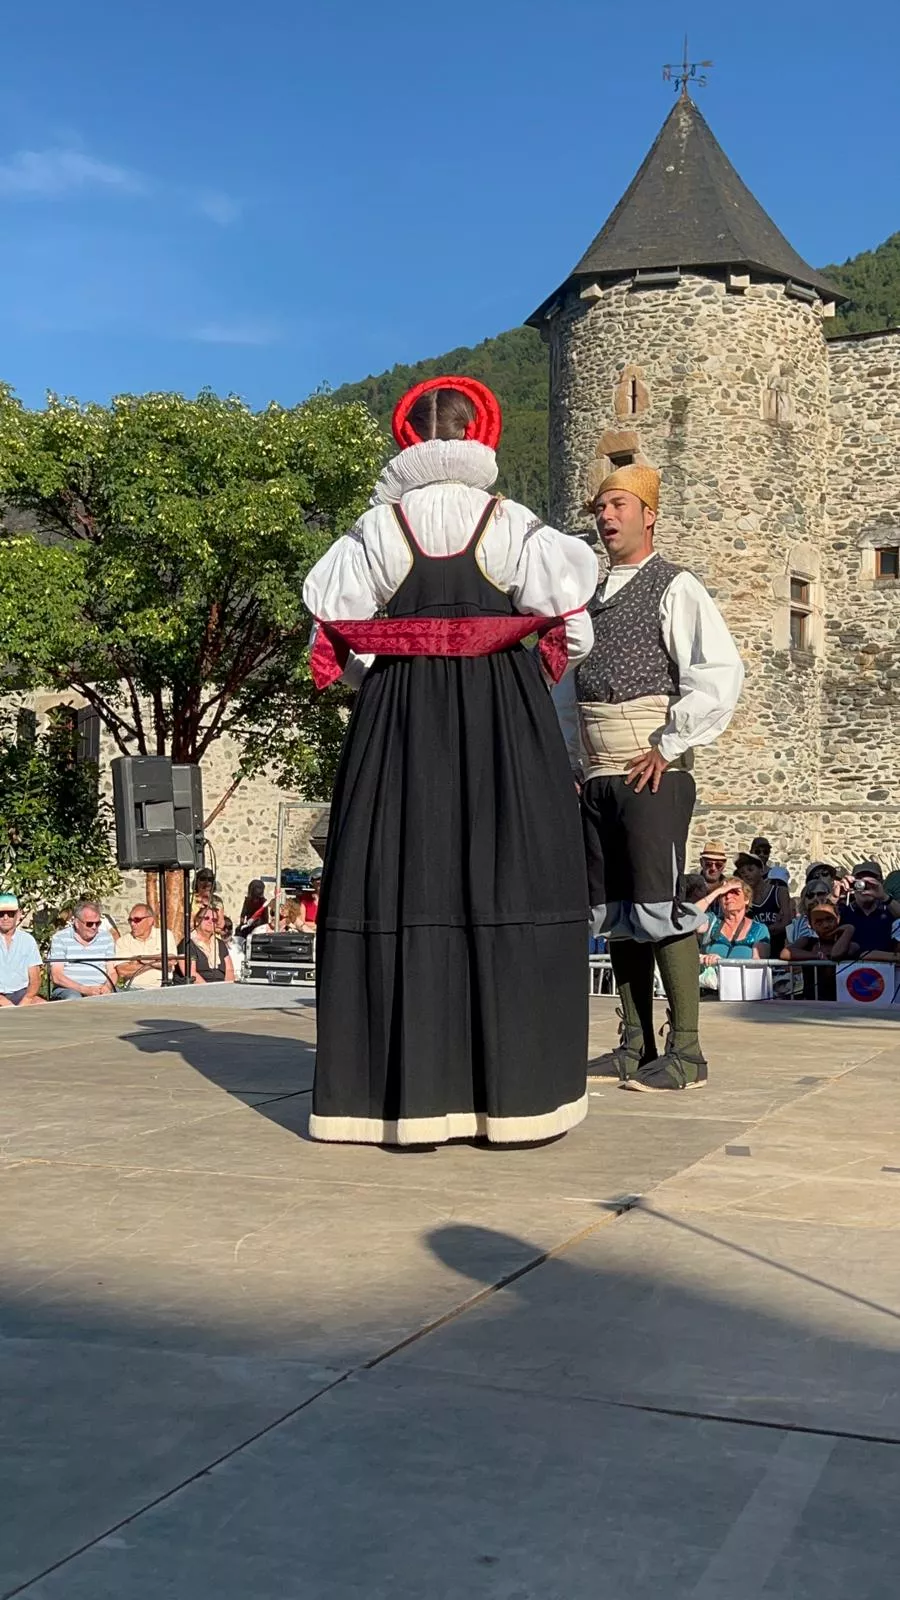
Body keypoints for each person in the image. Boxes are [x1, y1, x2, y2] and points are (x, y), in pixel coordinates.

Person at [302, 375, 597, 1144]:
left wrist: (389, 674)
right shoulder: (514, 522)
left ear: (408, 439)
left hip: (401, 715)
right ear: (478, 434)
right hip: (500, 710)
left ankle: (405, 1107)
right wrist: (516, 681)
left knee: (402, 875)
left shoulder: (374, 531)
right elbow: (572, 631)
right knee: (510, 872)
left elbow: (334, 638)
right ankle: (514, 1105)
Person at [554, 463, 744, 1091]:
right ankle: (633, 1044)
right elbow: (565, 686)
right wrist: (572, 760)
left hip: (650, 767)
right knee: (617, 913)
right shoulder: (587, 599)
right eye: (599, 508)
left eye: (617, 506)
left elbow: (717, 672)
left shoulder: (674, 586)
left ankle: (685, 1051)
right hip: (599, 773)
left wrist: (668, 742)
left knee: (659, 906)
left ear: (648, 514)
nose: (605, 518)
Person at [699, 880, 770, 992]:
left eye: (734, 892)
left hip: (743, 996)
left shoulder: (759, 929)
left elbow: (758, 967)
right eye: (724, 893)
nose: (728, 896)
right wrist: (717, 891)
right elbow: (688, 918)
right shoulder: (711, 922)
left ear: (746, 899)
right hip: (709, 997)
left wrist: (722, 964)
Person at [49, 899, 118, 998]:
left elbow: (112, 971)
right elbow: (57, 976)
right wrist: (84, 989)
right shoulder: (60, 938)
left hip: (101, 988)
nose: (94, 927)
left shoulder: (106, 937)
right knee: (74, 998)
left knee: (128, 998)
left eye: (97, 923)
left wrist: (107, 987)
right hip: (69, 989)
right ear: (77, 923)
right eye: (89, 924)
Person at [838, 861, 900, 960]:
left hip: (886, 973)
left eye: (872, 881)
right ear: (853, 884)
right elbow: (819, 923)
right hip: (848, 973)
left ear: (881, 883)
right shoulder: (844, 911)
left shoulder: (889, 910)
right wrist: (835, 896)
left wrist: (884, 896)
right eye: (860, 881)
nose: (865, 886)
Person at [734, 850, 791, 956]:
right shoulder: (744, 900)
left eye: (750, 869)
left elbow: (786, 922)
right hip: (755, 954)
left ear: (761, 871)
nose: (746, 874)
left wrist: (759, 931)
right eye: (742, 872)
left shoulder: (779, 892)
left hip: (779, 952)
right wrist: (772, 928)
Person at [0, 893, 46, 1006]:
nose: (5, 917)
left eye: (10, 914)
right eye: (1, 914)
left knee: (45, 1008)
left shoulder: (27, 940)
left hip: (21, 993)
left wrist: (27, 1000)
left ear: (19, 914)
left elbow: (35, 978)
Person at [175, 906, 234, 984]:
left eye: (214, 920)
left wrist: (228, 988)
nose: (210, 922)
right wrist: (209, 990)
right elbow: (191, 974)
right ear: (197, 921)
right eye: (206, 918)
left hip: (222, 988)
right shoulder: (187, 944)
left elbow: (229, 970)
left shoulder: (220, 944)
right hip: (199, 989)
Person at [114, 903, 167, 990]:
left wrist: (139, 960)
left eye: (137, 920)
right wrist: (156, 960)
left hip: (163, 987)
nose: (132, 924)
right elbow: (123, 971)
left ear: (150, 920)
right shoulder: (123, 941)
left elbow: (171, 960)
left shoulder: (164, 935)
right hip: (134, 989)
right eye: (130, 920)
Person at [697, 841, 729, 907]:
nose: (713, 868)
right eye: (708, 864)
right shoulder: (691, 887)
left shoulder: (729, 888)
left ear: (724, 865)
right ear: (701, 862)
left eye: (718, 865)